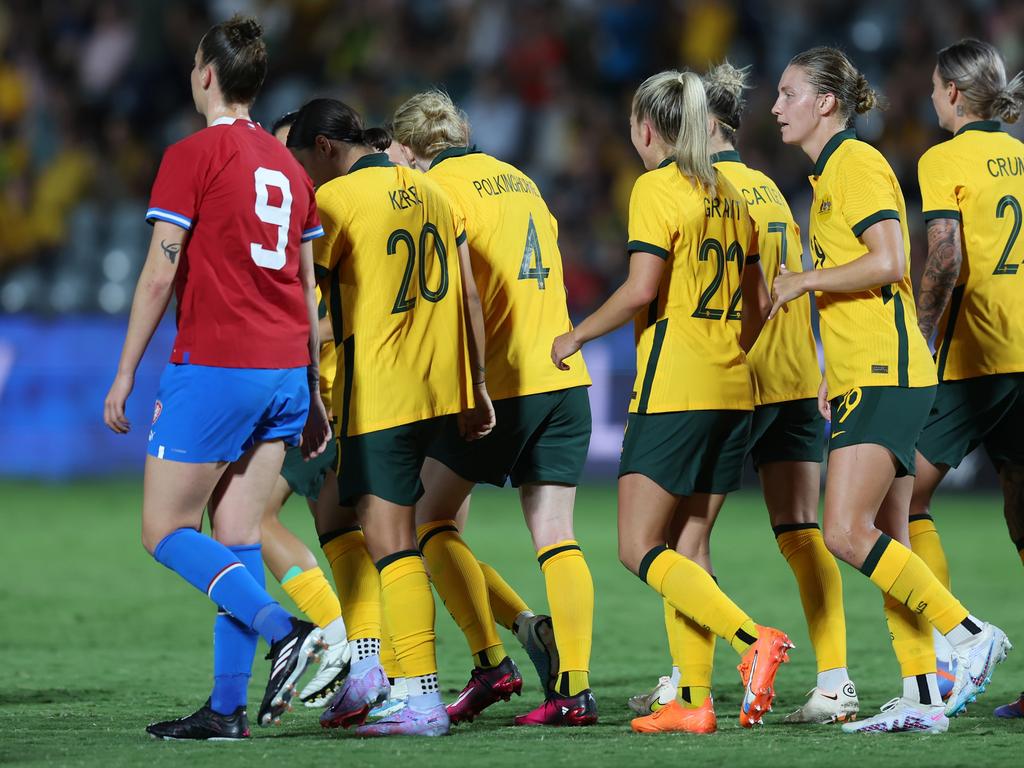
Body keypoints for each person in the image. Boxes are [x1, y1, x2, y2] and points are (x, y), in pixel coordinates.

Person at [770, 46, 1011, 734]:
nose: (777, 106)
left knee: (846, 532)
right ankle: (923, 698)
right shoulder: (830, 175)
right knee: (890, 538)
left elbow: (889, 260)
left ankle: (966, 633)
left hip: (887, 372)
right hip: (868, 371)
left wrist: (802, 281)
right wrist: (828, 368)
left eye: (788, 94)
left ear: (824, 102)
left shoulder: (857, 163)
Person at [102, 17, 330, 740]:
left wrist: (125, 372)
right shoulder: (290, 169)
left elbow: (161, 271)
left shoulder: (192, 155)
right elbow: (306, 286)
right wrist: (316, 390)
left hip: (220, 366)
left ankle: (284, 632)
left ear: (206, 74)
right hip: (285, 373)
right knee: (235, 535)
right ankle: (228, 710)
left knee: (164, 528)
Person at [552, 69, 792, 735]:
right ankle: (693, 699)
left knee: (638, 547)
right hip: (731, 384)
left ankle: (751, 642)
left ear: (647, 128)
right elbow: (763, 300)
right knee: (689, 543)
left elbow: (638, 290)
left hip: (676, 384)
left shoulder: (657, 188)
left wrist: (575, 333)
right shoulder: (730, 193)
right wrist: (727, 348)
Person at [627, 61, 858, 726]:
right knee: (800, 532)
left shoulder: (705, 189)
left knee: (678, 542)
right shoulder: (773, 192)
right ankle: (836, 680)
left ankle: (691, 683)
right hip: (791, 373)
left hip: (732, 378)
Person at [286, 97, 494, 737]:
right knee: (363, 524)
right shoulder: (433, 193)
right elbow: (467, 292)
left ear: (324, 147)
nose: (304, 178)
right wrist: (477, 384)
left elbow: (303, 308)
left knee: (391, 540)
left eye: (302, 161)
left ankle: (419, 696)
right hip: (438, 386)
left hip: (380, 390)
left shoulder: (337, 205)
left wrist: (309, 395)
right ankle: (384, 677)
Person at [391, 89, 596, 727]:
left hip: (500, 383)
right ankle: (574, 691)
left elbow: (454, 298)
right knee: (557, 536)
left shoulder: (435, 192)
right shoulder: (520, 180)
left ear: (410, 149)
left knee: (428, 521)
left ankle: (491, 662)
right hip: (564, 375)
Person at [904, 38, 1024, 720]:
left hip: (975, 359)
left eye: (932, 87)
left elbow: (944, 257)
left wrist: (922, 333)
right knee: (1023, 519)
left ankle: (954, 649)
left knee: (901, 501)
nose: (929, 98)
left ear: (953, 91)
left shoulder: (943, 158)